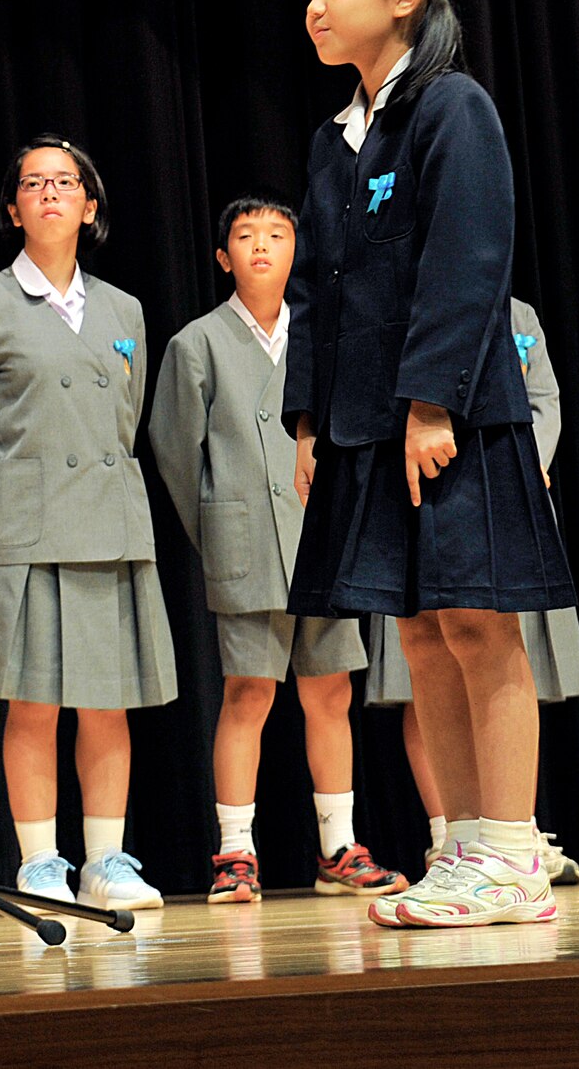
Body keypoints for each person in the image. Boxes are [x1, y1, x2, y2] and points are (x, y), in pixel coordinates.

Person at [282, 0, 575, 929]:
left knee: (477, 622)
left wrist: (429, 402)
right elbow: (315, 292)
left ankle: (510, 855)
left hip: (445, 415)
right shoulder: (336, 138)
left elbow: (466, 261)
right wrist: (308, 422)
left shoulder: (451, 109)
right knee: (415, 629)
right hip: (363, 423)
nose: (314, 5)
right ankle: (460, 848)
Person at [0, 135, 176, 912]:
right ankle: (42, 861)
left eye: (64, 183)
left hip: (107, 526)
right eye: (32, 184)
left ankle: (108, 859)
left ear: (90, 205)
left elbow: (125, 424)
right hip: (24, 531)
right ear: (12, 209)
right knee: (32, 702)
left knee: (107, 701)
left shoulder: (124, 311)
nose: (49, 194)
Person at [148, 194, 406, 903]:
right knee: (249, 693)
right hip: (246, 541)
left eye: (278, 233)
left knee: (330, 693)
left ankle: (338, 845)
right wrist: (219, 530)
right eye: (246, 234)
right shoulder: (196, 343)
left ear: (298, 252)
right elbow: (175, 454)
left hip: (324, 541)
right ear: (224, 256)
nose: (262, 245)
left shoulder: (327, 338)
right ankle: (235, 851)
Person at [363, 298, 579, 884]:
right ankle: (451, 832)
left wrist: (523, 465)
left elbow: (544, 400)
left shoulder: (517, 314)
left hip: (501, 489)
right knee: (427, 649)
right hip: (413, 484)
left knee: (490, 642)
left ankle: (512, 835)